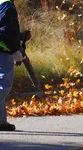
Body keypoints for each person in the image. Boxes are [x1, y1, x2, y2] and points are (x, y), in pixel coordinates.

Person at [0, 0, 30, 131]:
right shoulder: (6, 4)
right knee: (3, 85)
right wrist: (15, 50)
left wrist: (20, 37)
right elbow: (5, 32)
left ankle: (1, 121)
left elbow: (8, 31)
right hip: (3, 51)